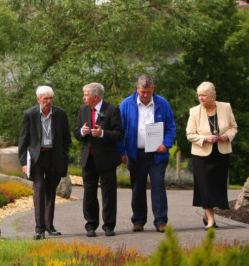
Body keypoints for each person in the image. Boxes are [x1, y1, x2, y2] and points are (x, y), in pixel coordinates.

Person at [119, 75, 176, 233]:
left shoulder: (162, 103)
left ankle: (161, 221)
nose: (145, 95)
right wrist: (122, 151)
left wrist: (166, 144)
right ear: (137, 89)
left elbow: (171, 127)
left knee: (158, 187)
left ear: (153, 89)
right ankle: (138, 220)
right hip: (136, 154)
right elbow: (119, 130)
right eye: (143, 91)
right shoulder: (126, 104)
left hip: (157, 155)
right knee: (138, 188)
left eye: (148, 92)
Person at [18, 85, 71, 240]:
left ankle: (49, 224)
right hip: (37, 157)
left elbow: (67, 138)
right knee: (39, 188)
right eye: (45, 98)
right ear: (38, 99)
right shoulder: (30, 114)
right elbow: (23, 140)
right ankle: (39, 228)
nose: (48, 101)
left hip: (54, 157)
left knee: (50, 190)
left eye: (50, 98)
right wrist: (23, 162)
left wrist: (63, 154)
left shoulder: (60, 114)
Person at [74, 83, 124, 237]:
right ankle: (91, 224)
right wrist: (82, 131)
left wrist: (103, 133)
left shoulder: (112, 110)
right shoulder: (83, 110)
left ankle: (109, 225)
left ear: (95, 97)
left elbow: (119, 134)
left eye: (86, 95)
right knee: (89, 193)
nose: (83, 97)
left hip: (107, 159)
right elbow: (76, 133)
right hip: (88, 158)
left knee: (108, 193)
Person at [186, 81, 238, 230]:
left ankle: (207, 214)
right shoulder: (194, 111)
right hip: (201, 155)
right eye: (199, 95)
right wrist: (205, 139)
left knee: (216, 186)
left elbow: (234, 127)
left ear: (213, 96)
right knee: (205, 186)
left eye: (204, 95)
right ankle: (211, 221)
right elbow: (190, 134)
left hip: (220, 154)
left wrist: (227, 136)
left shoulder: (226, 107)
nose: (201, 98)